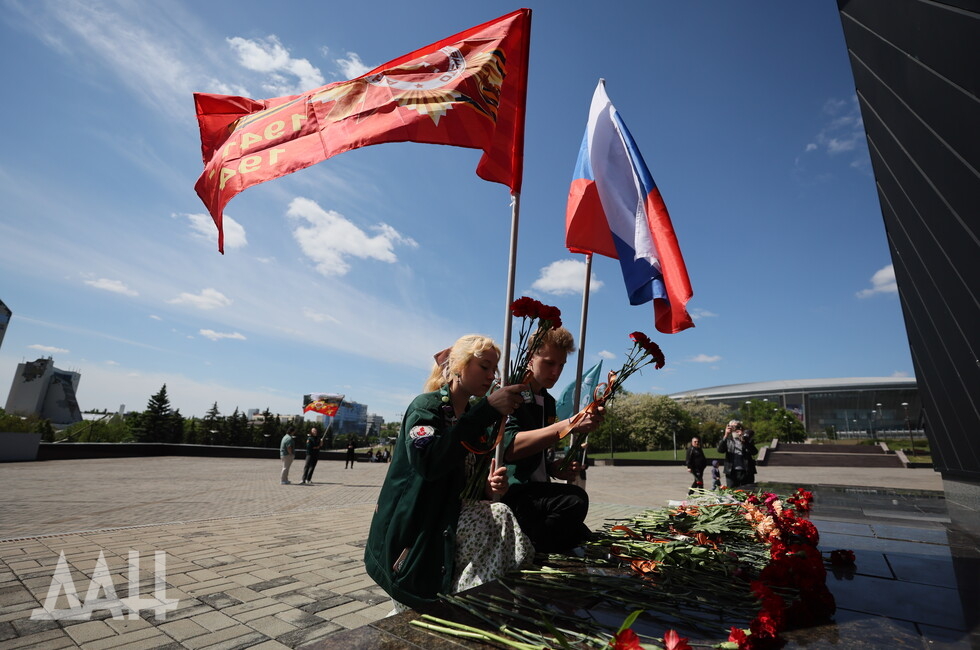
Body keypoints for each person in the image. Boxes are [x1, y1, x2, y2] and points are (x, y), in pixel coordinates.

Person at [365, 335, 533, 612]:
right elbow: (429, 464)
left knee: (499, 515)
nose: (491, 376)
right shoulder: (426, 408)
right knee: (410, 611)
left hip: (446, 523)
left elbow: (463, 481)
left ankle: (470, 607)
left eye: (495, 370)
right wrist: (487, 410)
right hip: (416, 529)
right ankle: (469, 609)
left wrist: (490, 489)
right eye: (484, 367)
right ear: (457, 365)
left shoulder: (472, 416)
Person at [502, 327, 604, 554]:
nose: (556, 372)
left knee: (587, 537)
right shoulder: (509, 392)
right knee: (574, 501)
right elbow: (509, 448)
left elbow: (535, 451)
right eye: (549, 363)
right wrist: (569, 425)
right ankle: (531, 552)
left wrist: (553, 468)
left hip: (536, 491)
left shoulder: (548, 401)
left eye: (561, 365)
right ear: (529, 358)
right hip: (510, 492)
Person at [717, 420, 758, 489]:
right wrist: (726, 435)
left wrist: (744, 440)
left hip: (746, 471)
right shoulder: (728, 440)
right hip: (731, 471)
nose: (735, 429)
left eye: (737, 427)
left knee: (747, 492)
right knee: (732, 493)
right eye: (732, 427)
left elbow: (754, 452)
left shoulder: (747, 439)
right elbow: (720, 450)